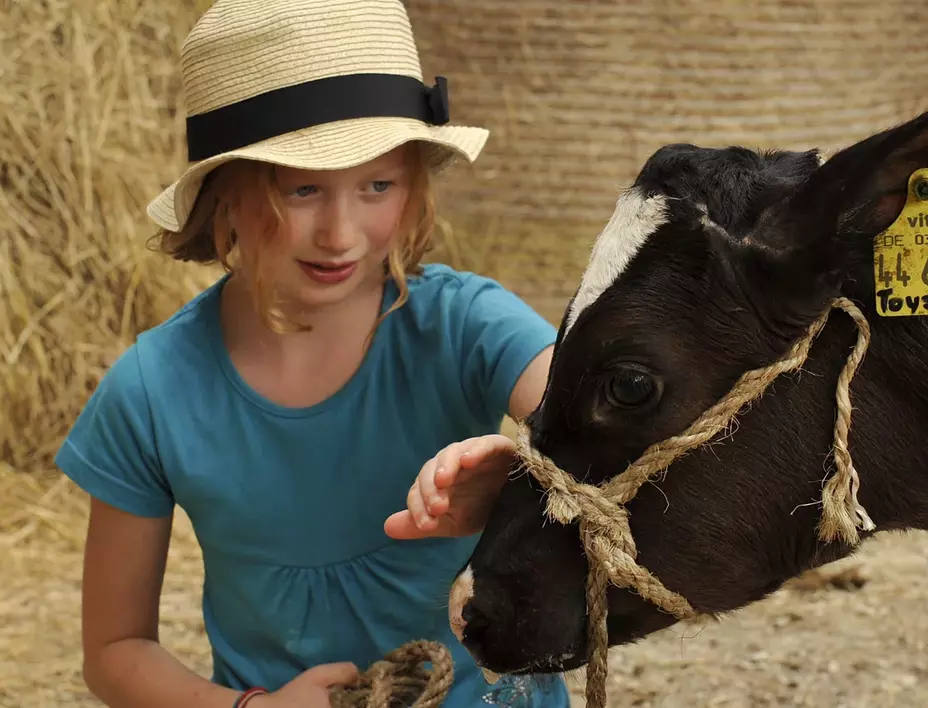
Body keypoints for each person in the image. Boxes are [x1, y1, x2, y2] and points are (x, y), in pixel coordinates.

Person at [55, 0, 570, 706]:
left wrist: (523, 481)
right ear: (223, 196)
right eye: (302, 189)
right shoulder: (149, 391)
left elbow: (613, 432)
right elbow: (115, 651)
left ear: (414, 184)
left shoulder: (469, 325)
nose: (340, 233)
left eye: (377, 187)